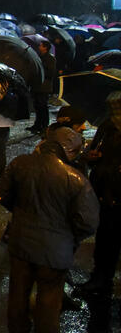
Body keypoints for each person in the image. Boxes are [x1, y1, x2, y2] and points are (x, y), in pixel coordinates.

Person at [0, 140, 99, 333]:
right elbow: (88, 222)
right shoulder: (76, 179)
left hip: (21, 244)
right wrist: (70, 238)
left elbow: (0, 194)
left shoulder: (20, 164)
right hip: (55, 252)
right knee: (49, 303)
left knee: (18, 295)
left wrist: (20, 212)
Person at [79, 92, 121, 294]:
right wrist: (91, 156)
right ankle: (101, 277)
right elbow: (93, 150)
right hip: (104, 191)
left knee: (111, 238)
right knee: (105, 238)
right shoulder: (107, 127)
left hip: (117, 194)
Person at [27, 41, 57, 134]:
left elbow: (51, 73)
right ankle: (37, 125)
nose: (39, 46)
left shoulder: (50, 58)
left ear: (45, 47)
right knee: (37, 106)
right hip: (37, 85)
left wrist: (40, 68)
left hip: (44, 87)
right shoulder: (39, 56)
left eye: (41, 45)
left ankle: (44, 125)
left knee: (43, 106)